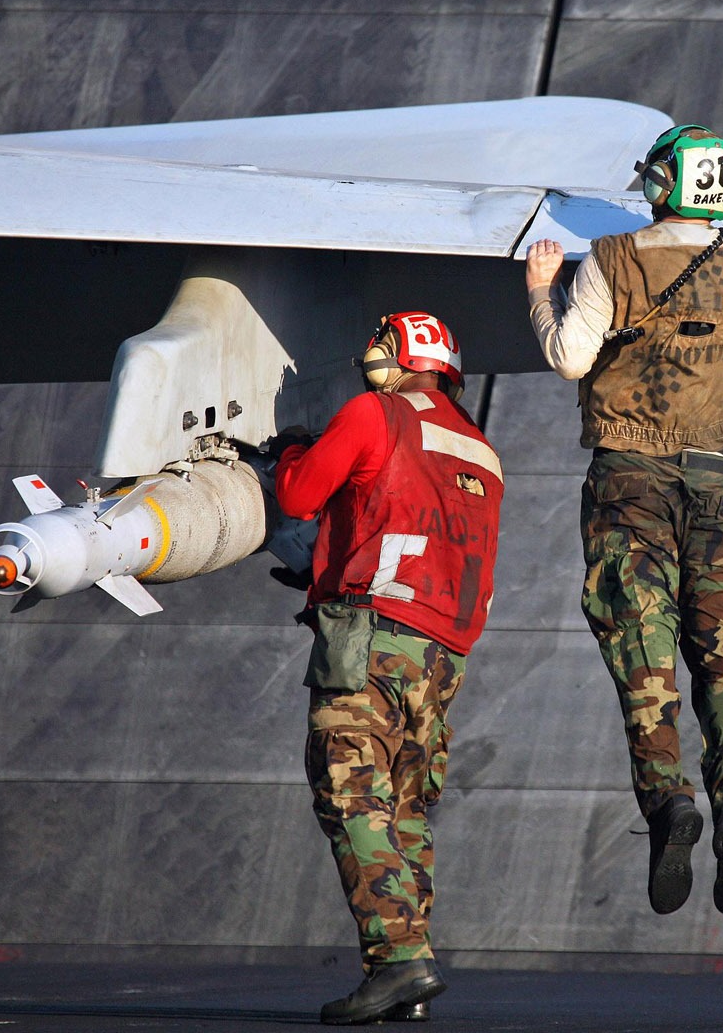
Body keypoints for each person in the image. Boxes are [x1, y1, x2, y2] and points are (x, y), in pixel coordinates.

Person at [524, 125, 723, 919]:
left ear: (664, 184)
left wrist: (540, 290)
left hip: (629, 480)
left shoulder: (614, 260)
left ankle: (669, 803)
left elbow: (569, 358)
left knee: (643, 647)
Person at [272, 311, 503, 1025]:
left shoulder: (376, 413)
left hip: (371, 637)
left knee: (349, 794)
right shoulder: (481, 451)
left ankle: (400, 960)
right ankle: (400, 978)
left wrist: (290, 450)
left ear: (395, 355)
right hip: (442, 656)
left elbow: (299, 495)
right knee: (406, 810)